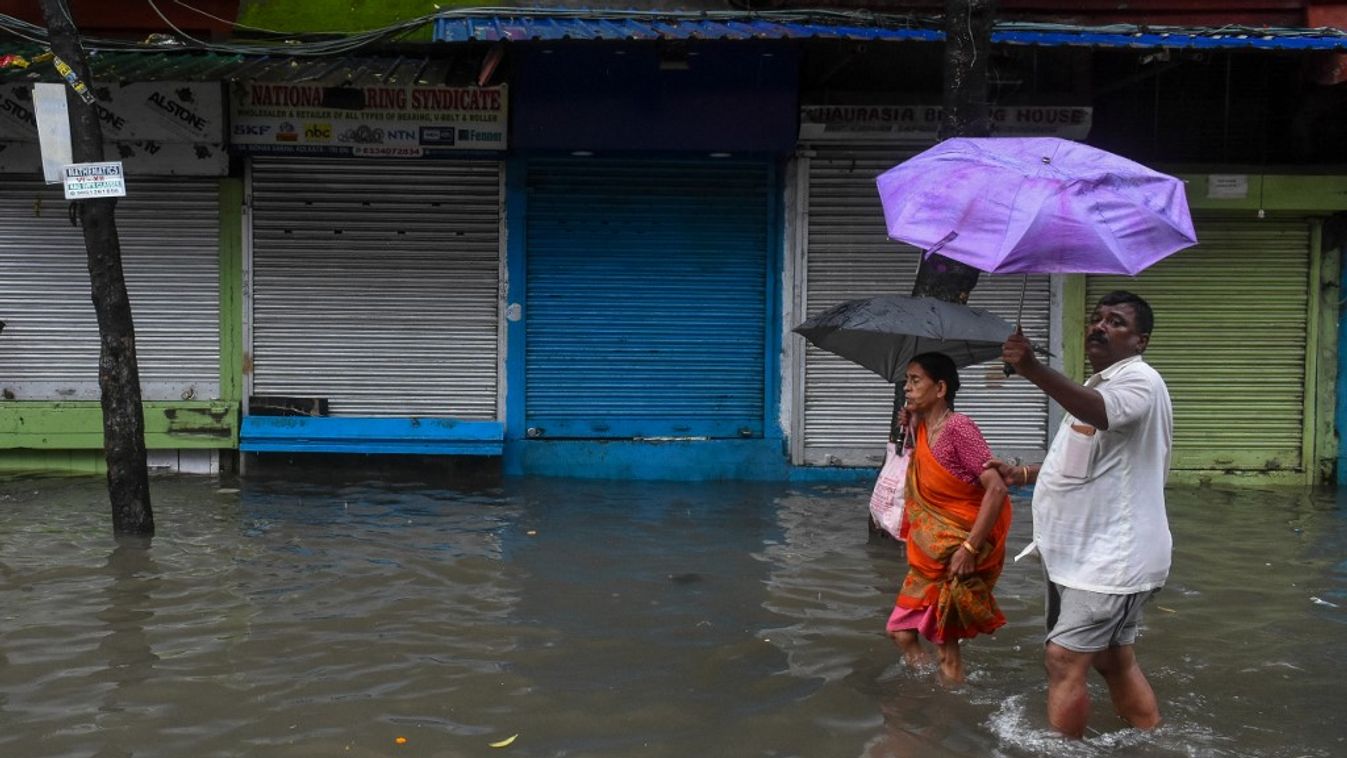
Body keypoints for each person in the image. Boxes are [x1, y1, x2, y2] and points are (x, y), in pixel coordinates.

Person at [988, 290, 1172, 739]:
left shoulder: (1139, 382)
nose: (1100, 326)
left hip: (1112, 558)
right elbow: (1082, 461)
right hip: (1081, 554)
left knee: (1064, 657)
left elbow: (1105, 416)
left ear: (1140, 340)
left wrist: (1031, 368)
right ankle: (1149, 737)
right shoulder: (1098, 385)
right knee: (1111, 658)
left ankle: (1063, 752)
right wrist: (1024, 472)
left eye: (1116, 322)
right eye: (1096, 318)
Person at [887, 351, 1011, 683]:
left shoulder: (959, 428)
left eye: (915, 381)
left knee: (946, 650)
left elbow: (996, 489)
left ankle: (947, 717)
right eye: (906, 381)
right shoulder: (922, 425)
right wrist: (910, 425)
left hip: (956, 550)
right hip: (930, 551)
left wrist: (968, 549)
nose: (907, 389)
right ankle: (932, 694)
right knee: (901, 631)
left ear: (940, 388)